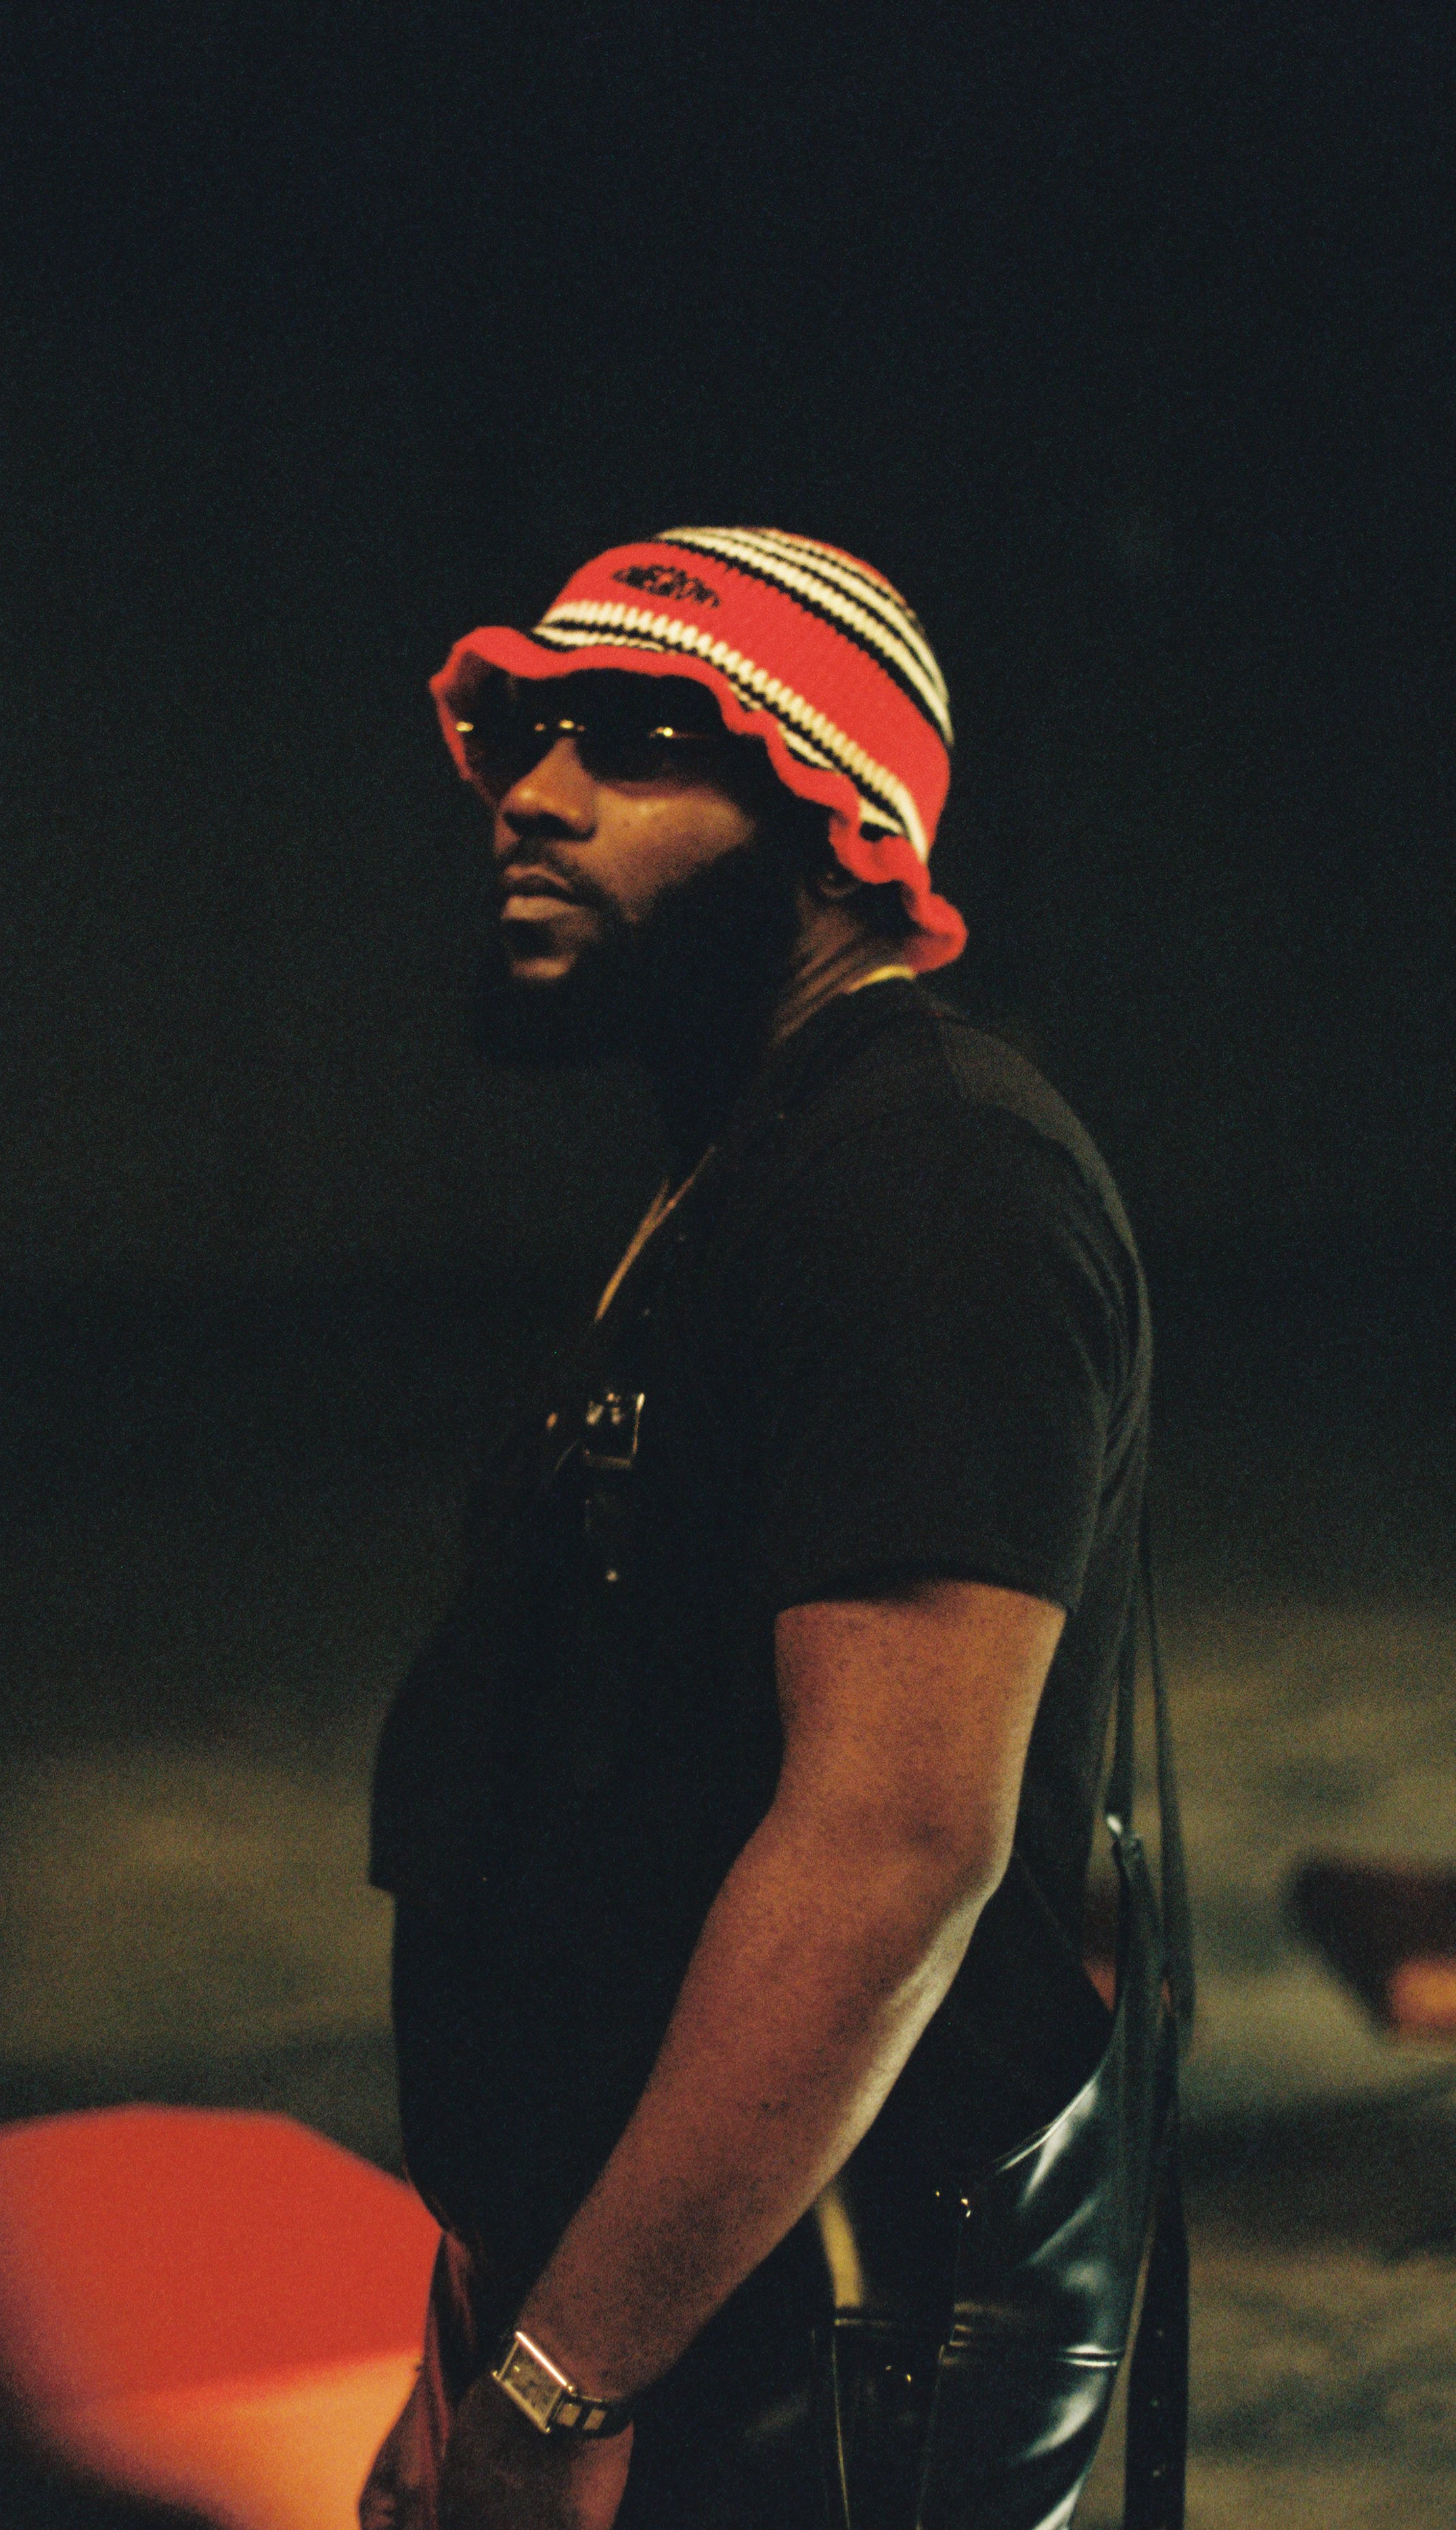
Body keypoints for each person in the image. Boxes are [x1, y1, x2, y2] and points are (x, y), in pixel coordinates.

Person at [362, 527, 1154, 2530]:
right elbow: (588, 1840)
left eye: (634, 740)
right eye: (527, 730)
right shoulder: (748, 1175)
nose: (534, 793)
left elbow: (892, 1847)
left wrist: (560, 2387)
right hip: (672, 2316)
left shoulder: (931, 1184)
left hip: (828, 2365)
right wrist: (481, 2334)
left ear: (828, 816)